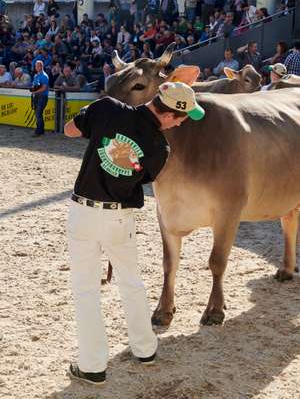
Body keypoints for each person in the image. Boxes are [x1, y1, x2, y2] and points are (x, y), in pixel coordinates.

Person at [64, 81, 205, 386]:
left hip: (84, 213)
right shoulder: (160, 148)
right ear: (169, 115)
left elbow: (69, 130)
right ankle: (145, 350)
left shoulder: (107, 108)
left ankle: (92, 366)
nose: (181, 123)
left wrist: (98, 129)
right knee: (132, 284)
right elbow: (136, 176)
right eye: (181, 118)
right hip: (119, 218)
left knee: (86, 290)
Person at [30, 60, 49, 137]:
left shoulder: (44, 76)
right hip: (37, 96)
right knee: (37, 114)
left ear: (41, 66)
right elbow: (34, 85)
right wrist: (33, 89)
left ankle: (39, 131)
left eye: (37, 66)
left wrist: (35, 92)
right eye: (35, 66)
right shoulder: (36, 75)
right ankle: (41, 130)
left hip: (42, 96)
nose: (36, 67)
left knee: (38, 113)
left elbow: (44, 88)